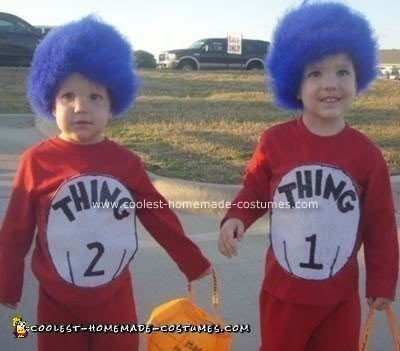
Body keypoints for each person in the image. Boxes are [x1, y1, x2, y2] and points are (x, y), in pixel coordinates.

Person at [0, 16, 211, 351]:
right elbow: (15, 233)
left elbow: (158, 215)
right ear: (50, 104)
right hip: (56, 302)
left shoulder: (126, 163)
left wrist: (192, 261)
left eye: (95, 97)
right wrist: (8, 286)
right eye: (68, 96)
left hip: (114, 298)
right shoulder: (36, 162)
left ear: (113, 105)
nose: (81, 107)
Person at [218, 2, 399, 351]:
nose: (330, 84)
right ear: (294, 85)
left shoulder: (366, 154)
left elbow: (380, 223)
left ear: (358, 78)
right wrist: (237, 217)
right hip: (283, 292)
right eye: (315, 73)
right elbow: (255, 188)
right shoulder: (275, 141)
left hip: (340, 295)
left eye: (342, 72)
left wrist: (382, 281)